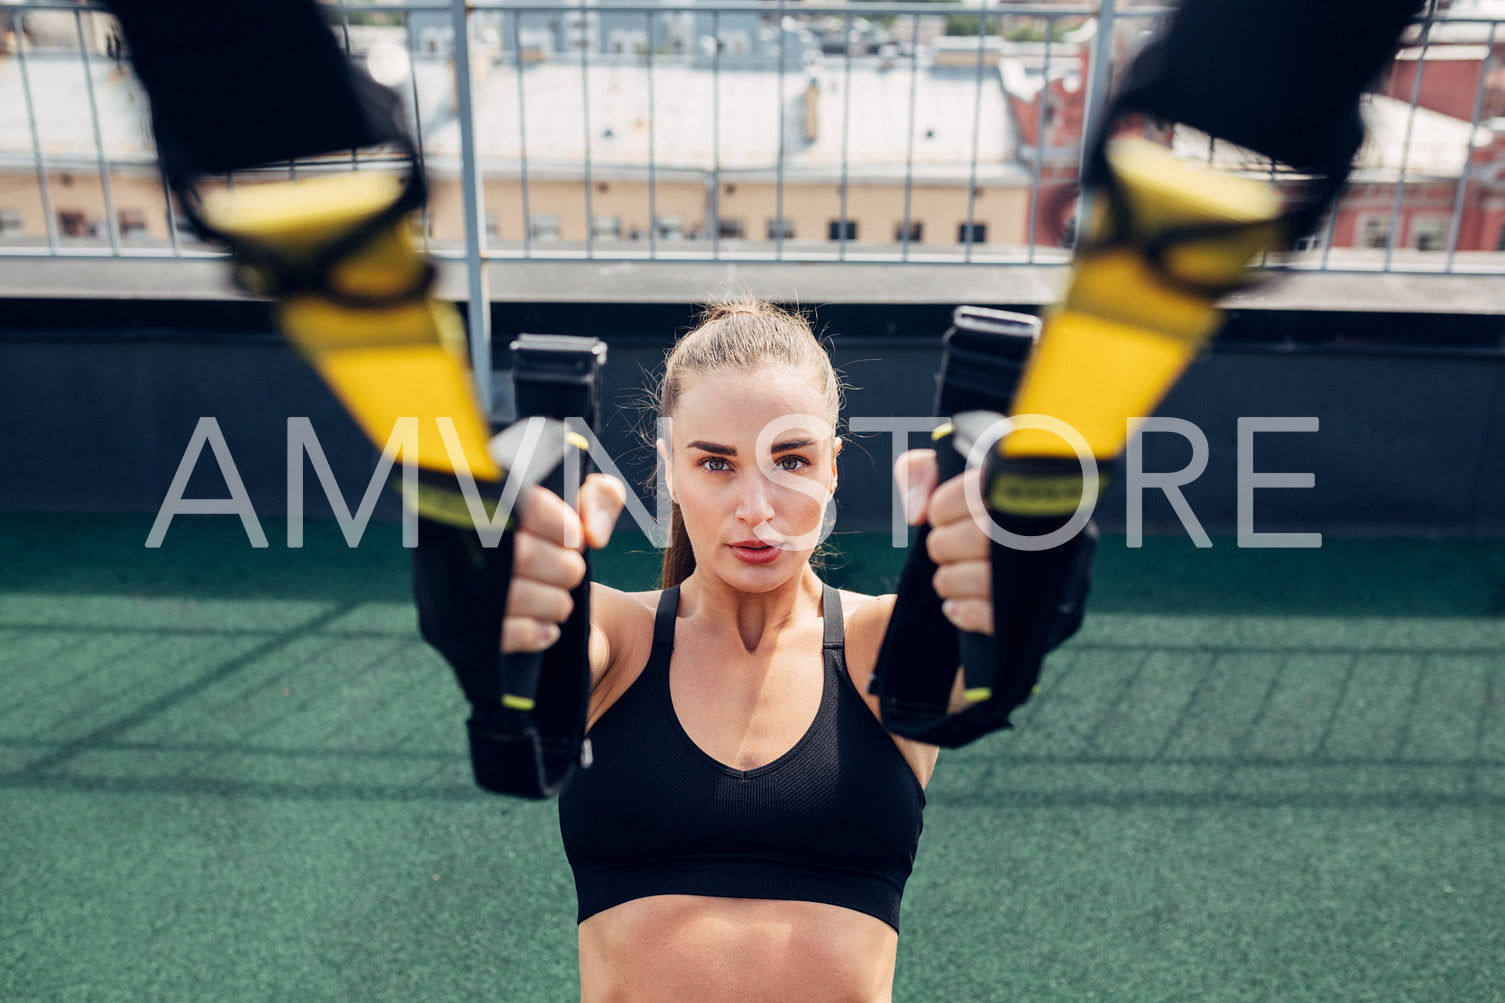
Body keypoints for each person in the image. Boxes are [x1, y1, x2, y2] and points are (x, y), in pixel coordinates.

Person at [501, 301, 994, 1002]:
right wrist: (510, 580)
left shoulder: (879, 645)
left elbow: (985, 648)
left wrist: (1005, 568)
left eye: (790, 460)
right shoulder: (620, 639)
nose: (756, 507)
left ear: (831, 471)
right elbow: (531, 636)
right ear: (671, 470)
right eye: (716, 463)